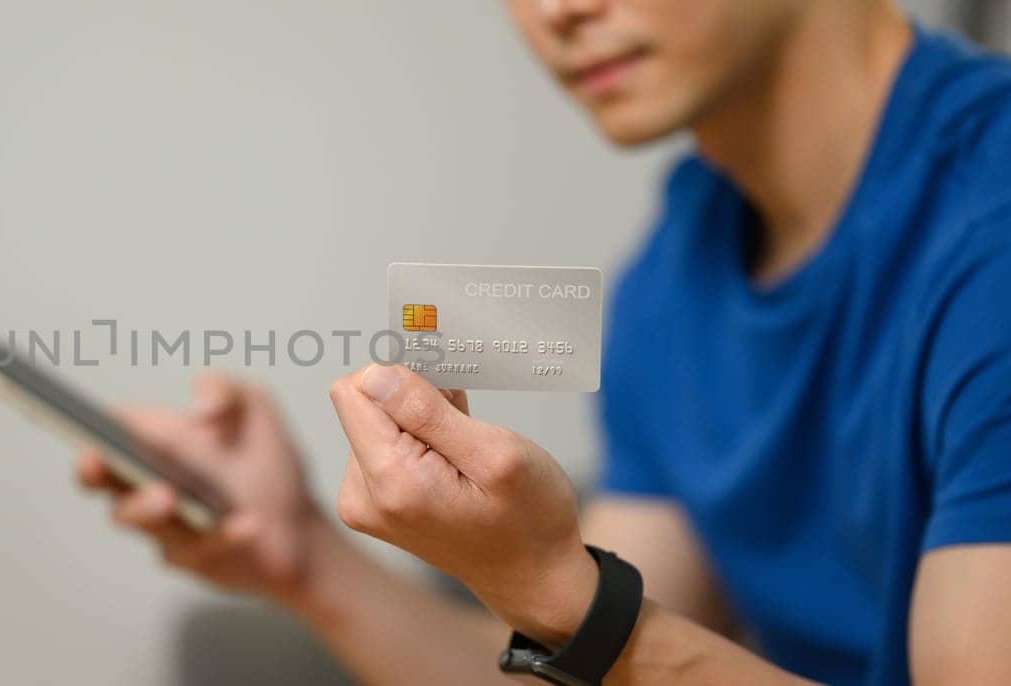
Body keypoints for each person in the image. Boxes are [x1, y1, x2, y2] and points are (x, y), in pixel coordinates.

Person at [75, 1, 1011, 683]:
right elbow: (599, 673)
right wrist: (304, 560)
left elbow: (610, 637)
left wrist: (567, 596)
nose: (557, 13)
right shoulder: (674, 271)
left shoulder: (992, 216)